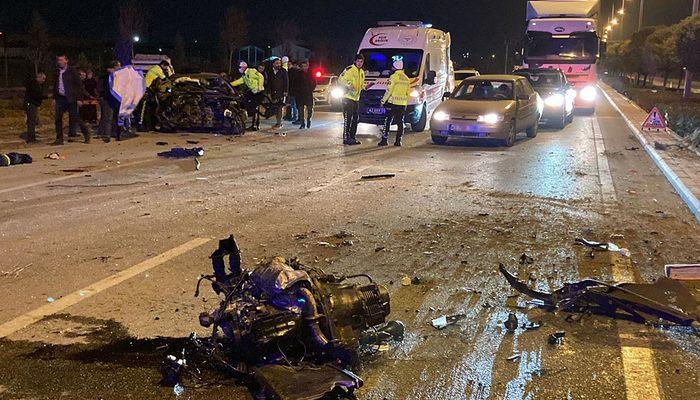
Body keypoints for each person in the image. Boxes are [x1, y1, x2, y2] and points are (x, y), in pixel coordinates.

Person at [53, 54, 91, 145]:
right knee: (58, 119)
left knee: (75, 118)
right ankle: (59, 138)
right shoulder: (57, 72)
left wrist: (79, 99)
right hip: (60, 98)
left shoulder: (72, 71)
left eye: (62, 60)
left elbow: (79, 86)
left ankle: (86, 134)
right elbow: (55, 85)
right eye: (59, 60)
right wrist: (54, 98)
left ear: (66, 61)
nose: (60, 62)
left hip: (71, 98)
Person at [379, 57, 411, 147]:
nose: (391, 68)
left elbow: (389, 90)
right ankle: (398, 141)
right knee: (400, 122)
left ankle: (384, 140)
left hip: (392, 103)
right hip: (402, 104)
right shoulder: (407, 79)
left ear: (395, 67)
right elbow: (407, 92)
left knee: (387, 120)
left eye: (393, 67)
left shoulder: (393, 77)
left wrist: (383, 101)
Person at [338, 54, 367, 145]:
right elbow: (340, 80)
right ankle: (346, 138)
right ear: (355, 61)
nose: (359, 63)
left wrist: (366, 87)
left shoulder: (362, 72)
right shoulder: (349, 69)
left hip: (356, 98)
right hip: (347, 97)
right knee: (348, 118)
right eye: (358, 61)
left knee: (355, 118)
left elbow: (361, 85)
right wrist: (348, 85)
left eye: (361, 61)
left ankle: (352, 137)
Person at [138, 60, 172, 131]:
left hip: (149, 90)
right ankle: (140, 125)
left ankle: (149, 125)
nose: (166, 68)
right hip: (145, 90)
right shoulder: (157, 69)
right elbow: (165, 79)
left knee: (150, 108)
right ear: (162, 65)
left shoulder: (156, 68)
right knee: (144, 109)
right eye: (166, 67)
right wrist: (169, 89)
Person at [231, 61, 265, 131]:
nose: (239, 69)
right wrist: (229, 84)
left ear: (244, 67)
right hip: (253, 92)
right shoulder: (244, 76)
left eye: (240, 67)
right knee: (245, 101)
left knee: (254, 107)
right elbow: (238, 81)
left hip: (258, 92)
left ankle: (255, 125)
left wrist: (259, 87)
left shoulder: (251, 71)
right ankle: (251, 121)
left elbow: (261, 76)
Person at [97, 60, 122, 142]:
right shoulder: (106, 76)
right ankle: (106, 135)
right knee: (108, 117)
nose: (120, 67)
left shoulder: (118, 76)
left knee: (115, 117)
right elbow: (103, 88)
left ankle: (114, 133)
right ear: (114, 67)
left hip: (116, 99)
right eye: (118, 66)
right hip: (107, 99)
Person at [24, 72, 49, 143]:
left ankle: (32, 137)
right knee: (31, 121)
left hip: (33, 104)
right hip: (31, 104)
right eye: (43, 79)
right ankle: (31, 139)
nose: (44, 80)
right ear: (38, 77)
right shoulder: (33, 84)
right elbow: (36, 94)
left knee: (33, 121)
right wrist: (46, 96)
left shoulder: (35, 84)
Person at [267, 58, 289, 131]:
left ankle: (279, 123)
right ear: (273, 64)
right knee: (275, 107)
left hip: (281, 92)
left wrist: (285, 91)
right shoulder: (270, 72)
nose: (278, 64)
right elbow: (269, 82)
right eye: (277, 63)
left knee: (280, 107)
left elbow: (286, 81)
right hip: (273, 92)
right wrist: (269, 92)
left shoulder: (283, 71)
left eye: (279, 63)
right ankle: (278, 121)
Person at [295, 61, 316, 129]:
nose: (304, 68)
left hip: (308, 94)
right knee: (300, 110)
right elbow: (295, 84)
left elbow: (314, 83)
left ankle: (309, 120)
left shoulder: (311, 74)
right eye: (303, 66)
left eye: (305, 66)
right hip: (300, 95)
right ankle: (302, 123)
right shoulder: (298, 74)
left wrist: (311, 89)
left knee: (310, 109)